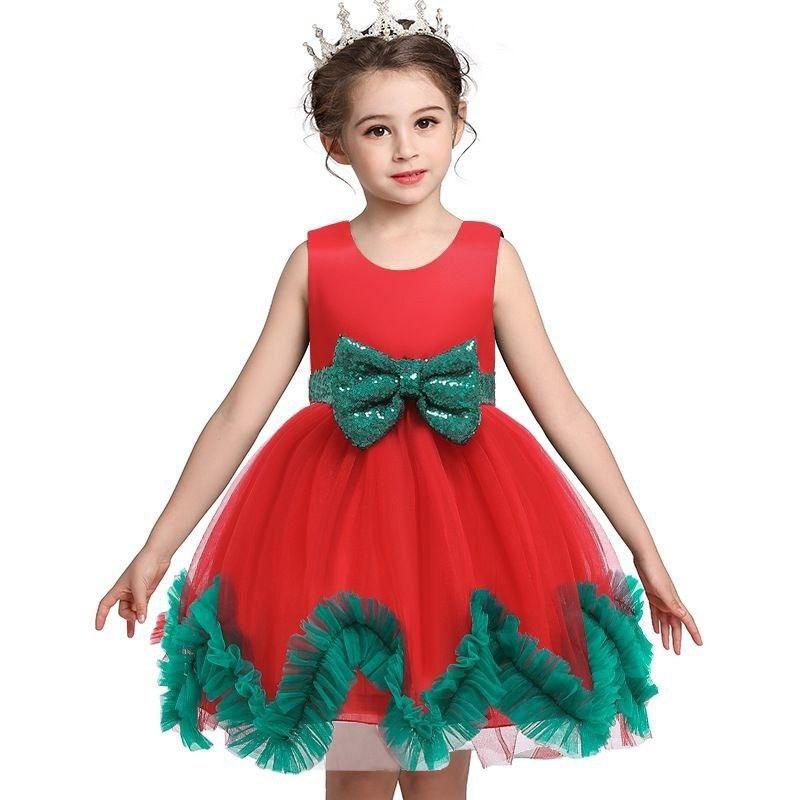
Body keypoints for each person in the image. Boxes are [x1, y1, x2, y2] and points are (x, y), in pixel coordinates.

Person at [95, 2, 703, 798]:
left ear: (458, 122)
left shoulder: (490, 257)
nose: (407, 147)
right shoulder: (316, 262)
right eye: (378, 130)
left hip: (465, 536)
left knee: (439, 758)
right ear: (336, 143)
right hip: (339, 537)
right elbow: (239, 415)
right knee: (355, 768)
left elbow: (564, 410)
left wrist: (644, 551)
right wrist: (156, 548)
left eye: (426, 122)